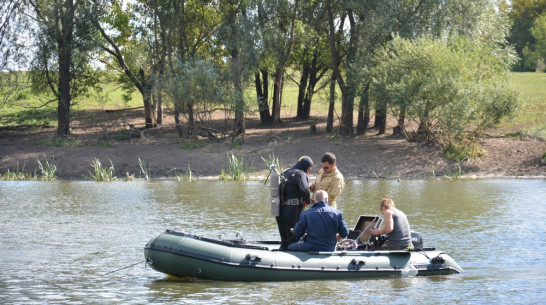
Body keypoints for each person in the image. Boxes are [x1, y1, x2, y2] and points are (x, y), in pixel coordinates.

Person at [276, 156, 313, 250]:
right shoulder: (300, 174)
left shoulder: (285, 173)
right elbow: (305, 190)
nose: (309, 171)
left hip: (279, 210)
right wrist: (306, 202)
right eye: (309, 169)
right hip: (293, 212)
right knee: (293, 241)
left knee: (284, 242)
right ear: (307, 167)